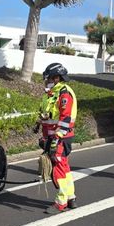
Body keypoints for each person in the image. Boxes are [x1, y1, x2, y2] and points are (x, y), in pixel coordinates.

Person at [40, 63, 78, 214]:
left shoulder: (64, 93)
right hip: (54, 136)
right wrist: (44, 135)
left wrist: (56, 137)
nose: (46, 81)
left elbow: (65, 117)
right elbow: (47, 116)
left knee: (58, 169)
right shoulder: (51, 94)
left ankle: (60, 202)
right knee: (64, 167)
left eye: (49, 78)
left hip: (61, 136)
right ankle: (71, 197)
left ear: (56, 78)